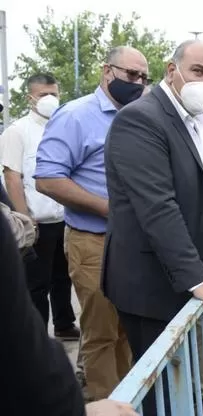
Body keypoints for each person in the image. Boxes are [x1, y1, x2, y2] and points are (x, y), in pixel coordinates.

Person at [102, 39, 203, 416]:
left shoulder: (196, 122)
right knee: (159, 389)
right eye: (199, 72)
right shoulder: (141, 119)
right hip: (148, 281)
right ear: (172, 71)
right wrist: (198, 279)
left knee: (181, 377)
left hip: (180, 273)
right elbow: (157, 206)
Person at [35, 46, 149, 401]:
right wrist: (108, 209)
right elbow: (48, 178)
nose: (139, 83)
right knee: (101, 333)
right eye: (132, 75)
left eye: (144, 78)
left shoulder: (137, 117)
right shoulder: (75, 116)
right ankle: (103, 401)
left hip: (133, 244)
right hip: (93, 241)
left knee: (128, 329)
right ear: (107, 71)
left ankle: (126, 402)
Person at [0, 214, 138, 416]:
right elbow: (22, 357)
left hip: (123, 235)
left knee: (122, 332)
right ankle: (105, 396)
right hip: (88, 234)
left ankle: (124, 398)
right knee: (101, 334)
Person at [1, 73, 80, 342]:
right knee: (36, 284)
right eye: (44, 94)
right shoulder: (17, 131)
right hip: (36, 221)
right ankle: (37, 339)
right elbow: (13, 176)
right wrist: (24, 217)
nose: (50, 100)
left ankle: (65, 324)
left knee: (63, 278)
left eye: (54, 94)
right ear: (30, 98)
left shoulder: (63, 126)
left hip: (65, 219)